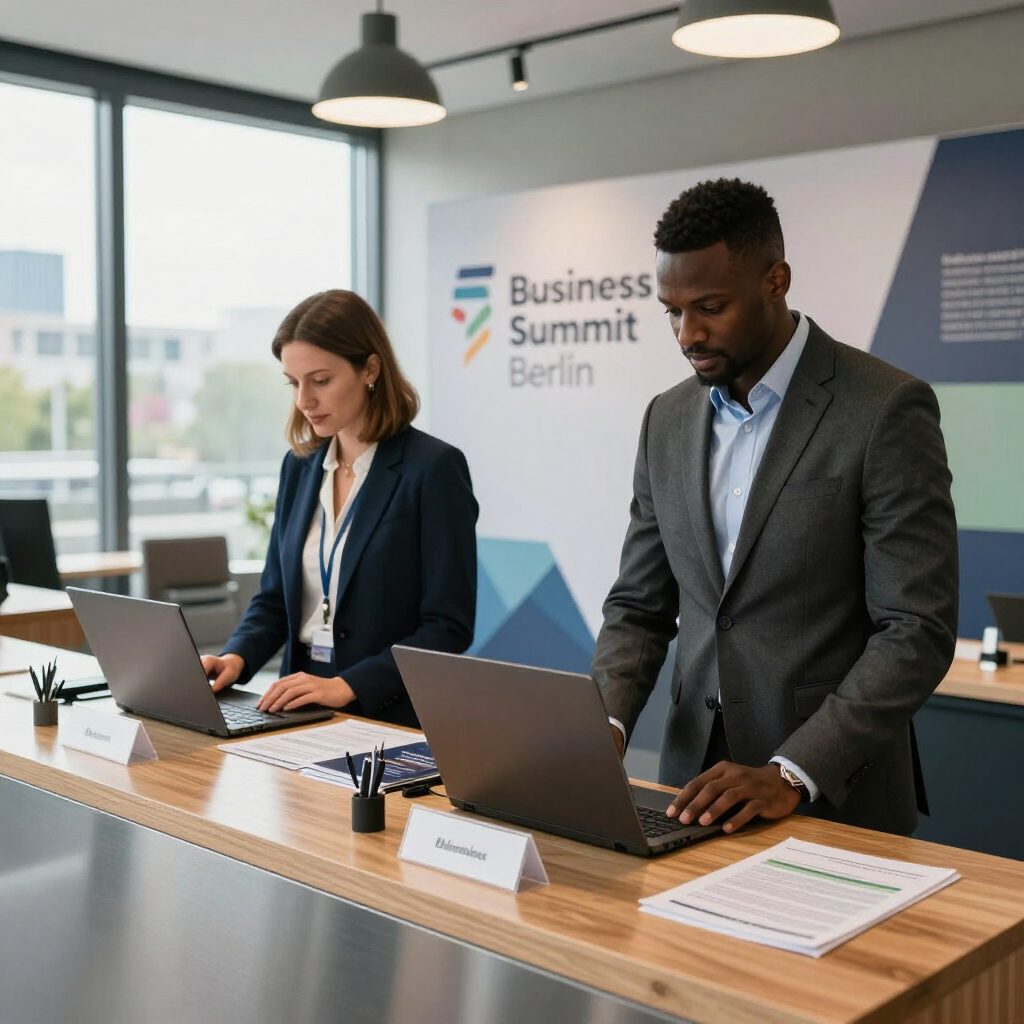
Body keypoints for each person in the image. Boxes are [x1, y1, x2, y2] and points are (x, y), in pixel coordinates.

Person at [592, 178, 958, 837]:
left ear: (776, 281)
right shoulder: (666, 419)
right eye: (671, 311)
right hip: (692, 789)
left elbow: (915, 629)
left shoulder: (884, 408)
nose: (686, 333)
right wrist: (603, 727)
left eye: (709, 307)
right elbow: (638, 608)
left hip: (835, 796)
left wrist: (792, 770)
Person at [201, 290, 478, 728]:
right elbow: (275, 598)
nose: (304, 401)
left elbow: (448, 627)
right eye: (294, 383)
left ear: (370, 368)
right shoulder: (299, 468)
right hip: (297, 704)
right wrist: (236, 655)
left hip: (388, 713)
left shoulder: (433, 469)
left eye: (320, 380)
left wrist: (350, 684)